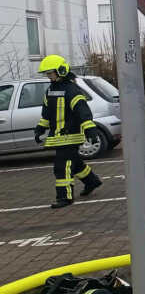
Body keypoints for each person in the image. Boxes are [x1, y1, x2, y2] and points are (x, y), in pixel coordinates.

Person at [33, 55, 103, 209]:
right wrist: (40, 128)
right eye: (47, 74)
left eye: (50, 73)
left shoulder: (72, 90)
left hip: (70, 135)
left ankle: (65, 197)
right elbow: (46, 113)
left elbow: (83, 112)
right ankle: (92, 181)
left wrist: (90, 130)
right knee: (75, 163)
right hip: (58, 136)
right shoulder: (51, 90)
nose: (49, 77)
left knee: (62, 166)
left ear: (61, 71)